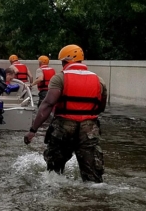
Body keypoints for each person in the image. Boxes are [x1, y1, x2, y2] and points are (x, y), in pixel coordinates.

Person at [24, 44, 107, 183]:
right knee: (93, 176)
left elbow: (47, 104)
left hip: (64, 126)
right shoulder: (99, 80)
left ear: (64, 61)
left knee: (54, 173)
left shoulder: (60, 78)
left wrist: (33, 130)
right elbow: (100, 107)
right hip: (89, 128)